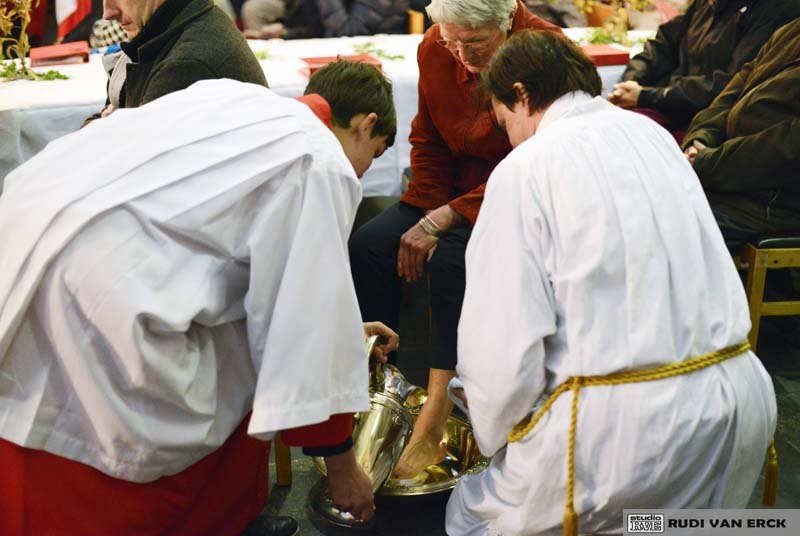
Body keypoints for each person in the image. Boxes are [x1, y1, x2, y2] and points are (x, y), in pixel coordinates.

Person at [0, 61, 397, 536]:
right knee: (240, 368)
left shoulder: (226, 93)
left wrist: (342, 331)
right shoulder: (319, 159)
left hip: (25, 242)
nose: (364, 170)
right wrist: (341, 467)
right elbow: (304, 319)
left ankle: (240, 516)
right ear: (366, 124)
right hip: (106, 294)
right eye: (373, 155)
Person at [447, 30, 777, 535]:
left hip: (628, 433)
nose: (509, 136)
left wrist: (488, 421)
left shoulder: (526, 168)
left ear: (521, 94)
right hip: (736, 402)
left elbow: (503, 338)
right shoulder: (654, 138)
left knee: (476, 516)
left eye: (503, 120)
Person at [348, 0, 560, 480]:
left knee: (451, 263)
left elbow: (539, 160)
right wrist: (424, 208)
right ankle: (381, 393)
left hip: (511, 195)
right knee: (369, 247)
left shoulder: (545, 51)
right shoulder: (434, 46)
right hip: (446, 194)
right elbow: (428, 136)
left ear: (505, 22)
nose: (461, 54)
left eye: (475, 42)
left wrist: (446, 218)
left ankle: (441, 410)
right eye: (452, 41)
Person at [682, 17, 800, 248]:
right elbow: (734, 90)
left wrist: (707, 162)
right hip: (732, 181)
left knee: (656, 221)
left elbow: (790, 149)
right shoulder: (790, 30)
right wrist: (700, 137)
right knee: (631, 199)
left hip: (774, 203)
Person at [609, 0, 800, 142]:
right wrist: (630, 82)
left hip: (707, 122)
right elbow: (663, 46)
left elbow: (728, 85)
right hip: (667, 106)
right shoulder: (705, 4)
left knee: (633, 145)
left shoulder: (777, 10)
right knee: (611, 132)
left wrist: (646, 96)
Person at [89, 0, 267, 120]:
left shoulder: (184, 66)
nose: (107, 13)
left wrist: (110, 126)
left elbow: (128, 163)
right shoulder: (174, 30)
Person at [243, 0, 410, 40]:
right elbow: (319, 28)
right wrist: (284, 33)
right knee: (255, 7)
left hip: (367, 47)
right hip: (333, 41)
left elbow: (346, 33)